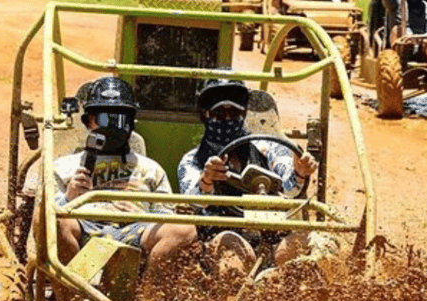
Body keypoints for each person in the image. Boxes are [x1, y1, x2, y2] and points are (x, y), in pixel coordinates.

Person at [51, 76, 197, 272]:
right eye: (103, 118)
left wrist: (142, 215)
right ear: (87, 122)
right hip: (83, 227)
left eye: (120, 120)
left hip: (136, 232)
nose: (111, 127)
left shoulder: (151, 169)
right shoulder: (64, 166)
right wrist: (68, 197)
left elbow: (165, 214)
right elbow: (42, 217)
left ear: (132, 125)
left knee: (184, 229)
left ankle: (148, 296)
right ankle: (70, 299)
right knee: (52, 220)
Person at [177, 78, 318, 271]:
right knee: (233, 258)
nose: (227, 119)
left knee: (316, 244)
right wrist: (207, 180)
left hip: (273, 237)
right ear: (205, 115)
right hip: (223, 238)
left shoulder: (267, 149)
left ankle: (281, 283)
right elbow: (195, 200)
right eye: (218, 113)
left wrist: (300, 172)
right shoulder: (192, 161)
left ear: (243, 114)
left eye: (234, 112)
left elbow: (290, 188)